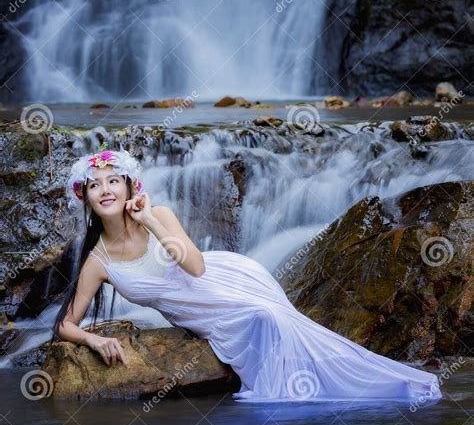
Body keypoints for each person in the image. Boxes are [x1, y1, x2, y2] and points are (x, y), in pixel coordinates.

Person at [54, 148, 442, 404]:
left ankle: (344, 392)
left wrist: (150, 220)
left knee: (273, 320)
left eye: (113, 181)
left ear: (128, 187)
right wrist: (95, 339)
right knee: (270, 321)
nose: (104, 189)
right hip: (198, 313)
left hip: (224, 280)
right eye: (94, 184)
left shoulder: (162, 216)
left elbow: (195, 267)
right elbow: (66, 324)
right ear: (84, 196)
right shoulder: (98, 261)